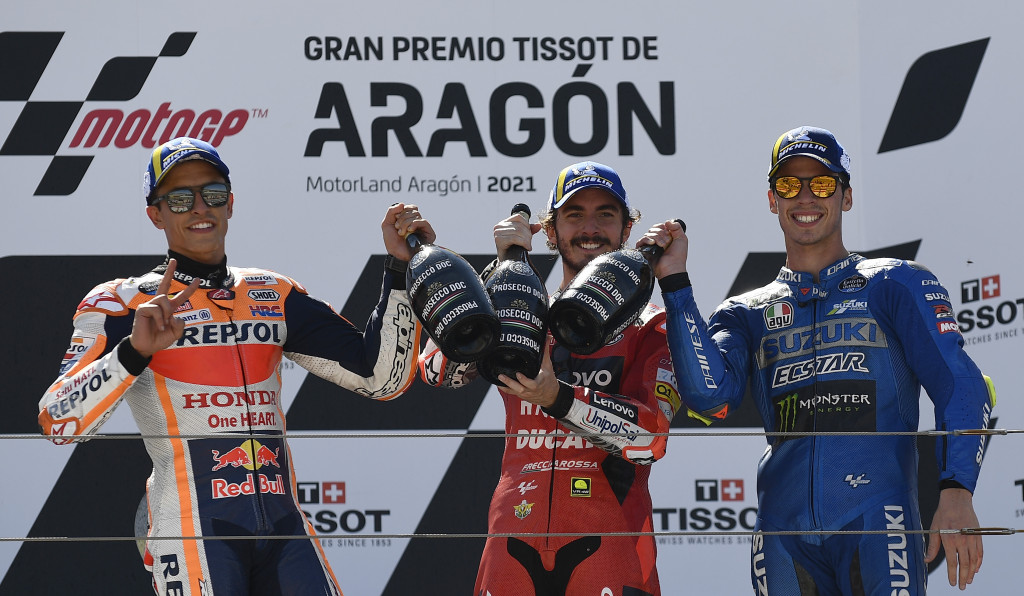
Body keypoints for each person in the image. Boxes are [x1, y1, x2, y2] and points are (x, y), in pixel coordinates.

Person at [37, 137, 433, 595]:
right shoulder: (122, 302)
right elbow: (57, 421)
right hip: (191, 528)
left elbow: (381, 379)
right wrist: (132, 353)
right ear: (155, 215)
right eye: (180, 198)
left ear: (230, 203)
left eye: (213, 193)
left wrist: (401, 271)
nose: (199, 207)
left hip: (284, 526)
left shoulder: (273, 293)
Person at [643, 126, 996, 594]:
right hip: (782, 534)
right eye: (789, 184)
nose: (805, 196)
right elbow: (710, 398)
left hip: (878, 520)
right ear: (772, 200)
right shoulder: (745, 312)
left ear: (846, 196)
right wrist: (674, 283)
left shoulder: (894, 284)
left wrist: (956, 491)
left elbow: (962, 386)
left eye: (823, 183)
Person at [420, 161, 682, 595]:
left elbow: (650, 439)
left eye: (605, 214)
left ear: (627, 229)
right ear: (549, 230)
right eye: (574, 214)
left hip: (611, 545)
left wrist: (558, 398)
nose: (590, 228)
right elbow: (437, 372)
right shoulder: (517, 309)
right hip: (512, 538)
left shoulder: (652, 325)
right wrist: (499, 270)